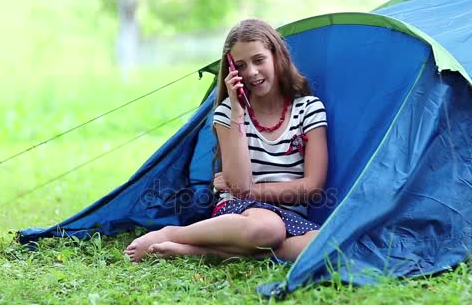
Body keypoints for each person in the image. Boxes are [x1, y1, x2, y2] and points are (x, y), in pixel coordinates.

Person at [124, 18, 328, 262]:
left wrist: (253, 190)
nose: (251, 72)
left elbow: (312, 186)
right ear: (231, 71)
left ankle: (194, 252)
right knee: (268, 229)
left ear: (277, 57)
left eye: (259, 60)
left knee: (322, 246)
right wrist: (238, 114)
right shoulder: (227, 113)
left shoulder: (309, 109)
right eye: (240, 65)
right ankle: (173, 233)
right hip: (241, 213)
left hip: (290, 216)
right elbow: (240, 188)